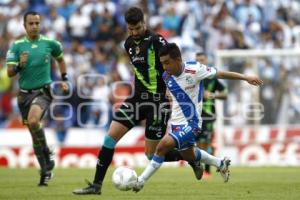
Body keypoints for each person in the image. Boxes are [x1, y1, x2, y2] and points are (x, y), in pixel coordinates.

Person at [73, 7, 202, 195]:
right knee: (110, 138)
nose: (134, 32)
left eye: (137, 28)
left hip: (158, 102)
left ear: (144, 23)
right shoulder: (128, 44)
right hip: (137, 99)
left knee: (151, 154)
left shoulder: (157, 41)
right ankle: (96, 185)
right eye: (130, 29)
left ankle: (193, 159)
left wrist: (169, 91)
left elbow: (172, 66)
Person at [132, 43, 263, 192]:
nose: (164, 67)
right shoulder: (166, 75)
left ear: (178, 59)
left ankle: (140, 181)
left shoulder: (194, 69)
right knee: (191, 154)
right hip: (175, 123)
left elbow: (220, 74)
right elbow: (171, 93)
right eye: (162, 63)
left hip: (192, 123)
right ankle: (220, 163)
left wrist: (246, 77)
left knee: (161, 147)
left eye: (167, 63)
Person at [6, 11, 69, 186]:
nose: (34, 26)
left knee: (34, 121)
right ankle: (45, 170)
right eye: (31, 23)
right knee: (34, 135)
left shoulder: (50, 43)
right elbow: (9, 73)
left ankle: (47, 152)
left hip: (43, 91)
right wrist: (19, 65)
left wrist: (65, 79)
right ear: (24, 26)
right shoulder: (16, 46)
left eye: (37, 23)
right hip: (24, 95)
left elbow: (61, 59)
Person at [196, 52, 228, 178]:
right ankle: (201, 168)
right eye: (198, 60)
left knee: (205, 141)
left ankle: (207, 171)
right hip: (194, 114)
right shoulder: (192, 77)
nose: (200, 62)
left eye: (202, 60)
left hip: (208, 115)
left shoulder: (212, 77)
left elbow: (225, 93)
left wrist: (213, 95)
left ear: (206, 60)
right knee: (197, 143)